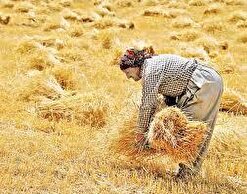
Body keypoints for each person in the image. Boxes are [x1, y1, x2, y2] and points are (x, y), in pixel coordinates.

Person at [119, 47, 224, 179]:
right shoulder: (152, 64)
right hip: (208, 80)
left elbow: (147, 105)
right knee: (189, 131)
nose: (128, 77)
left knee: (189, 132)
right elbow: (170, 91)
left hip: (204, 83)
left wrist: (140, 133)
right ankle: (186, 173)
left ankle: (186, 176)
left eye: (128, 72)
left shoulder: (150, 72)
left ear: (136, 65)